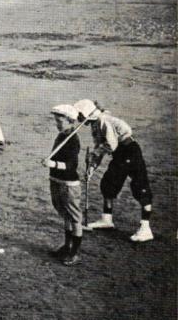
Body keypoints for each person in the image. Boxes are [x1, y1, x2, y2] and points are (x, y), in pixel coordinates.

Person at [75, 99, 153, 242]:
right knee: (108, 184)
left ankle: (145, 228)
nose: (78, 120)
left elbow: (111, 145)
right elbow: (100, 147)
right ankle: (107, 219)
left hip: (129, 151)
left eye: (80, 116)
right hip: (120, 153)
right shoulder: (96, 124)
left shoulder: (103, 121)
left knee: (140, 187)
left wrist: (95, 154)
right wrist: (92, 167)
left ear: (86, 113)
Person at [42, 105, 83, 265]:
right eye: (56, 121)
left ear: (71, 121)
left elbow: (71, 165)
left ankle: (74, 253)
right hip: (56, 180)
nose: (58, 124)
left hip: (68, 184)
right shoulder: (61, 136)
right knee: (64, 214)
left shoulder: (73, 139)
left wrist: (53, 164)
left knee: (74, 217)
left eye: (60, 121)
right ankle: (67, 246)